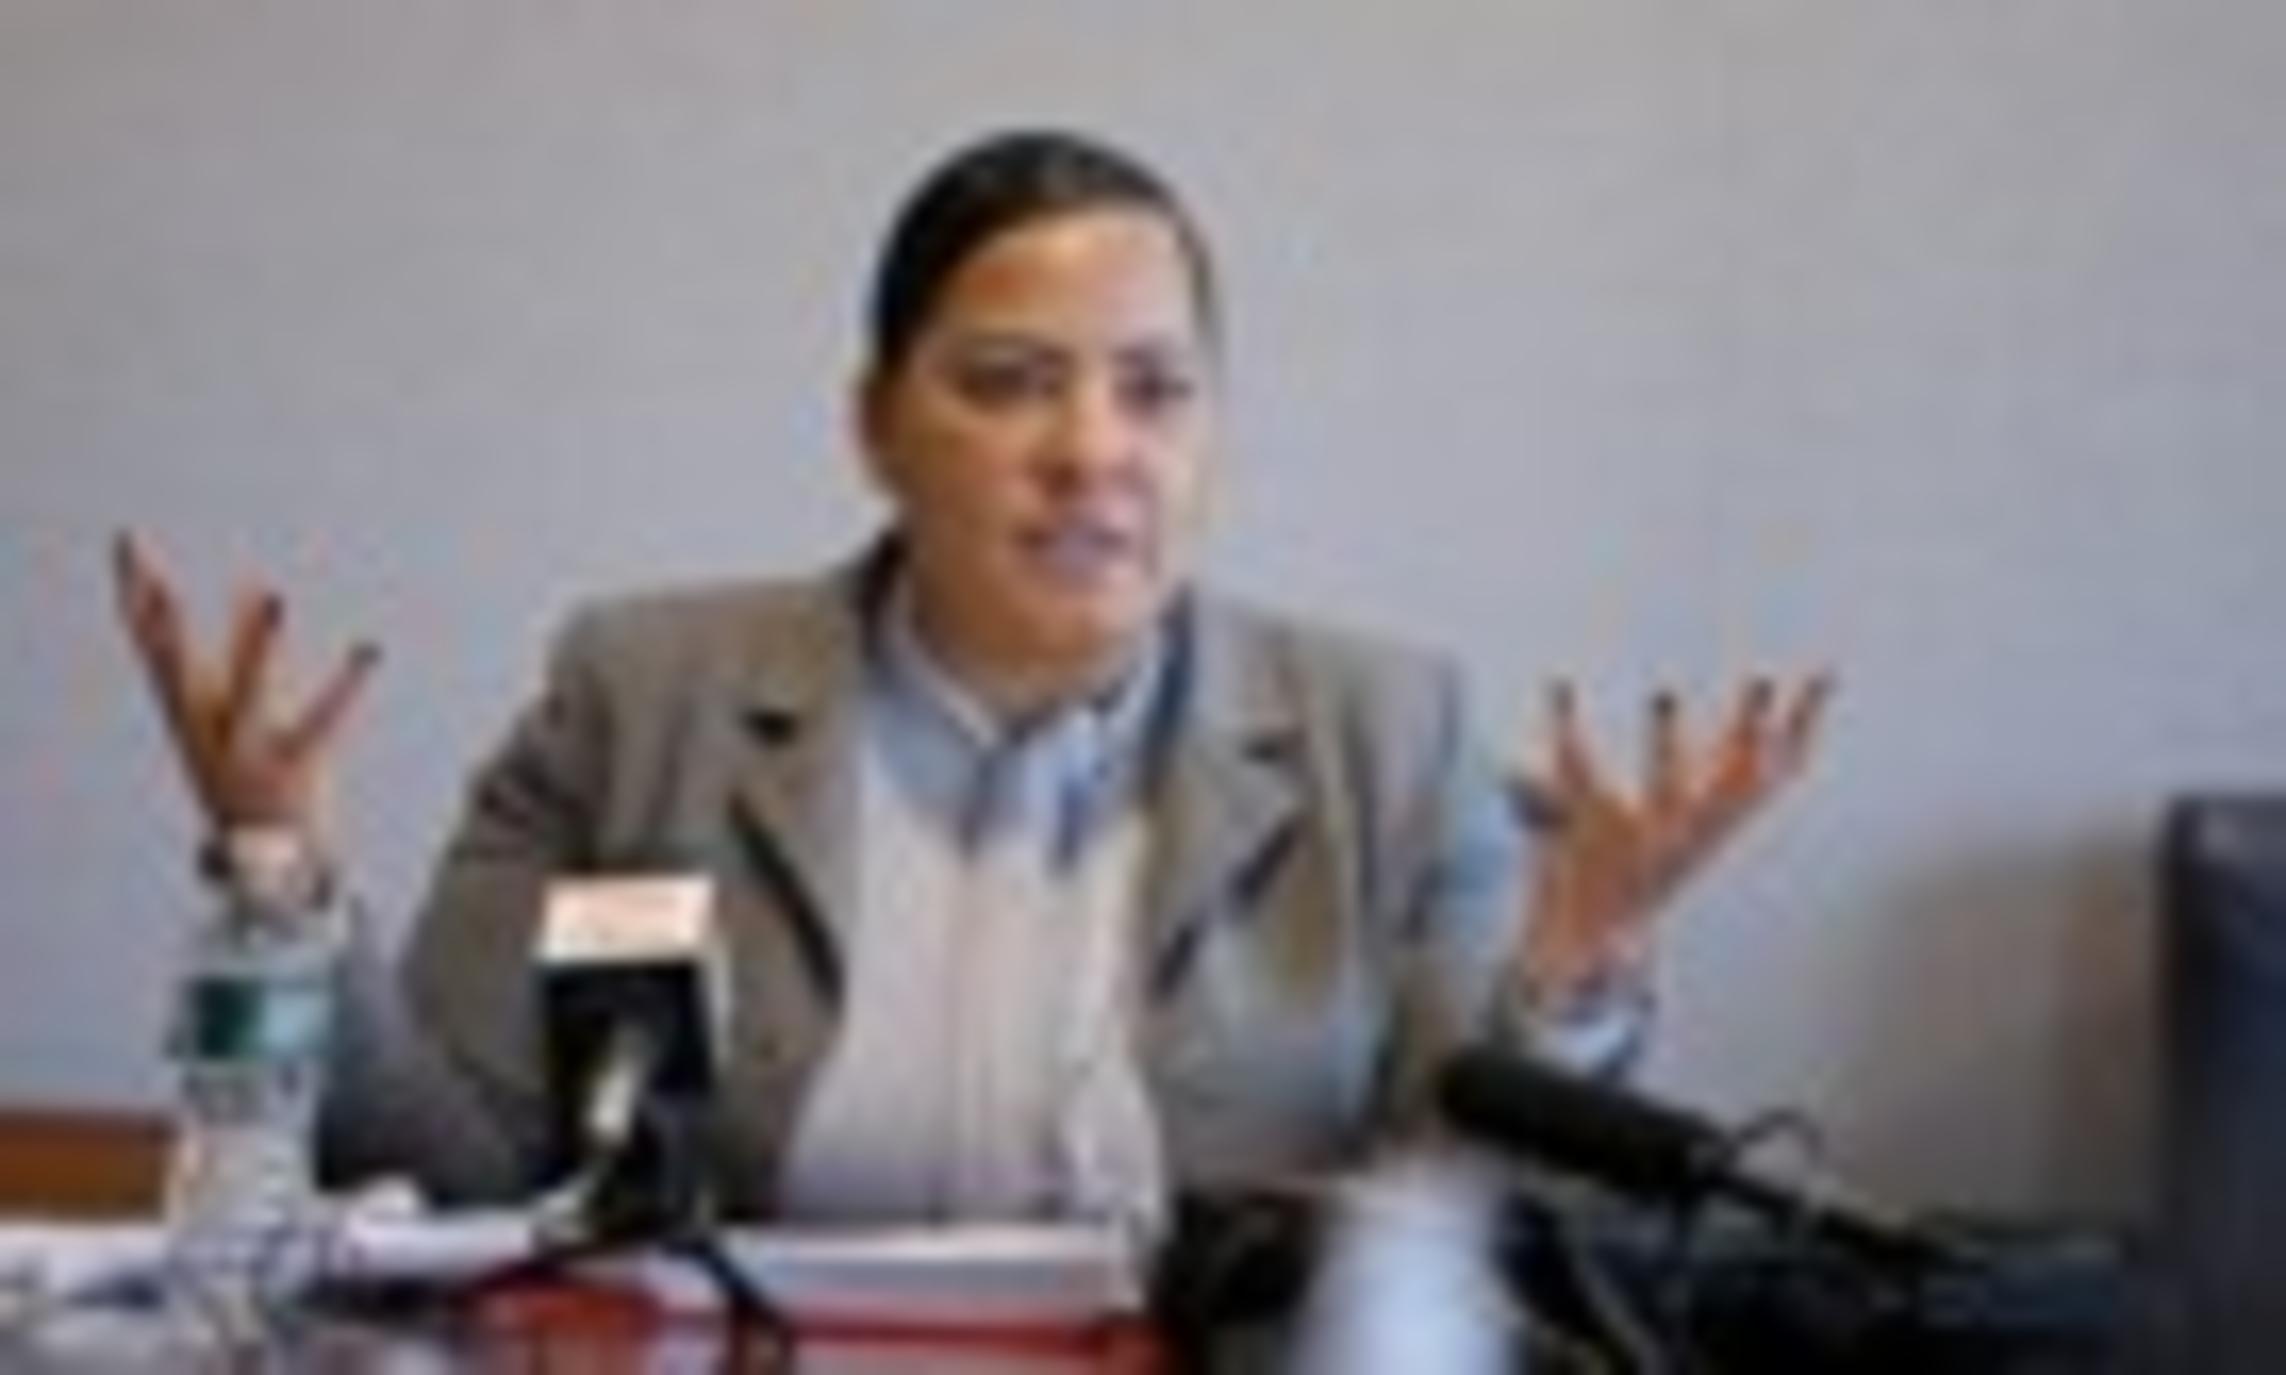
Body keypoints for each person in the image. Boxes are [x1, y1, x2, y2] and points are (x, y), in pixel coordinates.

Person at [113, 129, 1828, 1249]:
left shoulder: (1392, 733)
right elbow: (455, 1170)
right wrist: (280, 880)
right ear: (876, 424)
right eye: (1008, 383)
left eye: (1154, 390)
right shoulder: (639, 696)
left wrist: (1568, 980)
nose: (1092, 451)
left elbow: (1457, 1242)